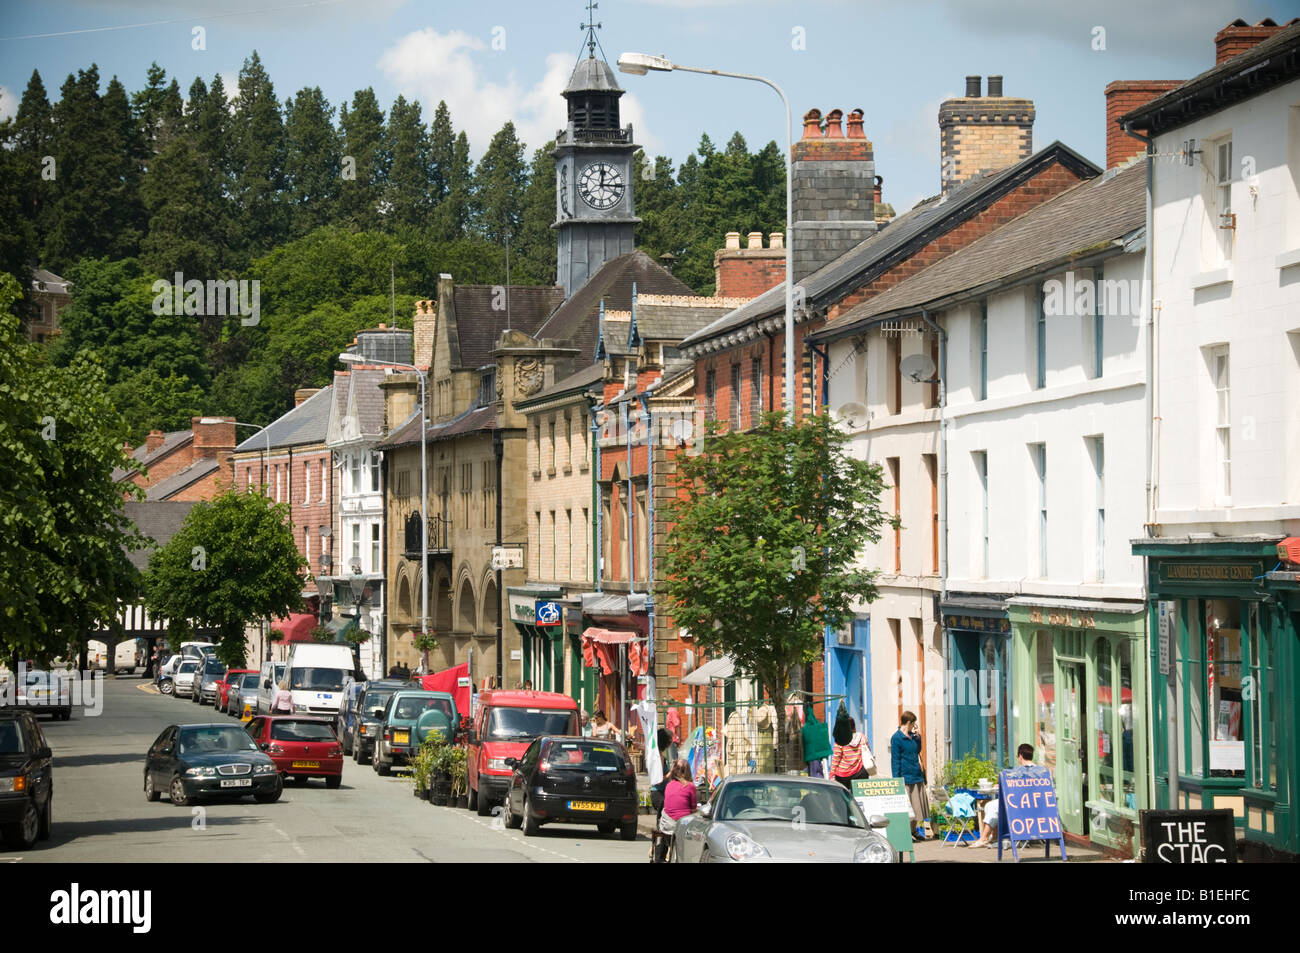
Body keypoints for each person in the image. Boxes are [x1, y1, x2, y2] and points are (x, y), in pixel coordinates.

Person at [974, 743, 1036, 848]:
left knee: (993, 806)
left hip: (1020, 806)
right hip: (1034, 806)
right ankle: (995, 837)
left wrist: (1002, 785)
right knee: (991, 805)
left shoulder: (1020, 772)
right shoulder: (1040, 771)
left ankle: (984, 838)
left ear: (1020, 756)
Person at [892, 711, 929, 841]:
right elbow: (895, 760)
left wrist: (918, 739)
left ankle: (914, 830)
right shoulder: (896, 738)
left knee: (916, 806)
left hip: (916, 774)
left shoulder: (913, 736)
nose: (914, 726)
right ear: (908, 723)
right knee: (908, 807)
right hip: (905, 777)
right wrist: (897, 780)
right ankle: (907, 833)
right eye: (913, 724)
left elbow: (917, 750)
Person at [655, 759, 697, 862]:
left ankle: (661, 856)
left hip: (667, 825)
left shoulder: (669, 785)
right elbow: (693, 809)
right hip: (683, 826)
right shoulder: (690, 786)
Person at [830, 717, 870, 790]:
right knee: (859, 794)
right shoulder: (861, 737)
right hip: (860, 773)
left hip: (843, 775)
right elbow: (868, 752)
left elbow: (836, 759)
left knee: (843, 795)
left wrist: (832, 774)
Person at [801, 705, 833, 778]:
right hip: (819, 754)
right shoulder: (818, 726)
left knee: (815, 772)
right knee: (817, 770)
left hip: (812, 756)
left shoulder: (806, 728)